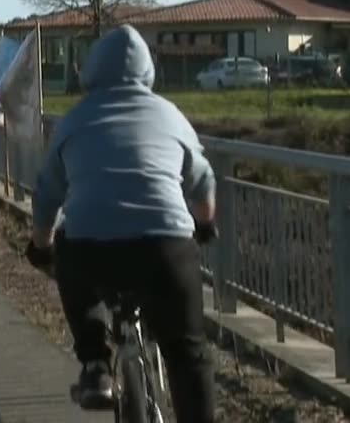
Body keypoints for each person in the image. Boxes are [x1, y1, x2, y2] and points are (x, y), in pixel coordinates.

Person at [26, 25, 216, 421]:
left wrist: (41, 246)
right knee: (188, 354)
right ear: (148, 71)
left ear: (90, 71)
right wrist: (204, 225)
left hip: (92, 249)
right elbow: (202, 181)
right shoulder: (170, 115)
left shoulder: (75, 120)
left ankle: (96, 364)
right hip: (165, 248)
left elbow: (47, 195)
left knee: (73, 262)